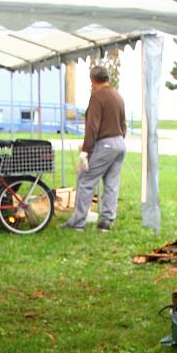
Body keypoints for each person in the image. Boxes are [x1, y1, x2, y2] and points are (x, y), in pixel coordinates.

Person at [62, 65, 127, 232]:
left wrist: (86, 151)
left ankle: (78, 222)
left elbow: (92, 127)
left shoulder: (97, 97)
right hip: (120, 143)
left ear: (93, 81)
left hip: (105, 143)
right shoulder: (117, 96)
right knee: (112, 183)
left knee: (85, 180)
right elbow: (123, 124)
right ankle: (107, 221)